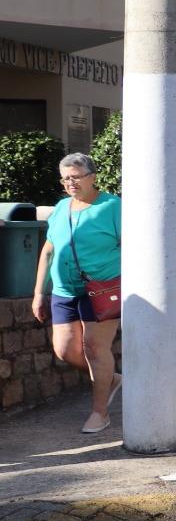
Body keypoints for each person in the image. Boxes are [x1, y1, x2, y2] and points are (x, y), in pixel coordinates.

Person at [31, 153, 122, 435]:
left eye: (76, 177)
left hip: (101, 288)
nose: (70, 183)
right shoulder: (61, 208)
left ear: (92, 177)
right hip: (63, 290)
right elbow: (49, 249)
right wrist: (37, 293)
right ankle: (111, 378)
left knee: (95, 348)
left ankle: (100, 412)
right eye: (65, 178)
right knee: (64, 350)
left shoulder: (112, 207)